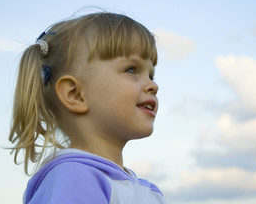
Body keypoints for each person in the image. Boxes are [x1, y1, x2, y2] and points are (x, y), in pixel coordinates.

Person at [9, 12, 166, 203]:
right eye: (131, 70)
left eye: (151, 75)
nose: (153, 85)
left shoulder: (149, 191)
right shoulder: (75, 178)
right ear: (75, 94)